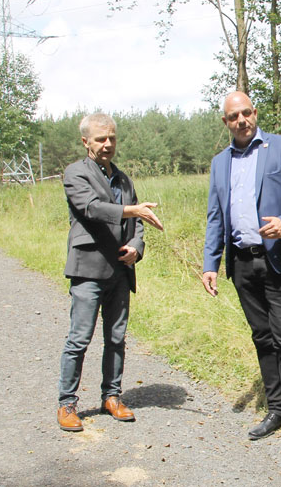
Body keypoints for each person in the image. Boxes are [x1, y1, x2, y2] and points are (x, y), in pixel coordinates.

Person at [201, 91, 281, 455]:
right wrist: (211, 263)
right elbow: (215, 216)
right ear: (225, 122)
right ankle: (276, 410)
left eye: (246, 113)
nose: (241, 120)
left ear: (255, 113)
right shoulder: (220, 162)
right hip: (241, 262)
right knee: (262, 337)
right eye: (233, 116)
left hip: (280, 260)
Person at [57, 113, 163, 432]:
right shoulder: (75, 173)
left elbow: (138, 225)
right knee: (80, 339)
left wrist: (136, 249)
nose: (107, 144)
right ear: (85, 141)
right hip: (88, 269)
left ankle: (112, 396)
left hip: (119, 271)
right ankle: (66, 404)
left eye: (112, 138)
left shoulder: (124, 179)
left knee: (116, 338)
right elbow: (91, 208)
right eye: (101, 138)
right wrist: (132, 210)